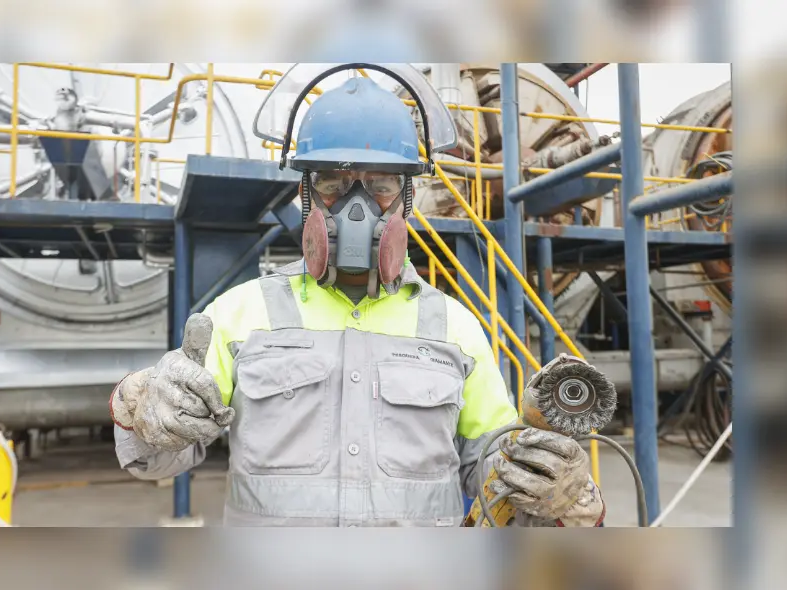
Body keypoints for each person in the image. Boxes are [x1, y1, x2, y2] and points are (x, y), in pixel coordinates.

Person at [110, 70, 604, 527]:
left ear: (408, 196)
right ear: (307, 193)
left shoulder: (453, 325)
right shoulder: (239, 313)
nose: (356, 208)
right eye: (334, 184)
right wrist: (138, 402)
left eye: (381, 186)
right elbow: (160, 457)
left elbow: (491, 469)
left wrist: (555, 488)